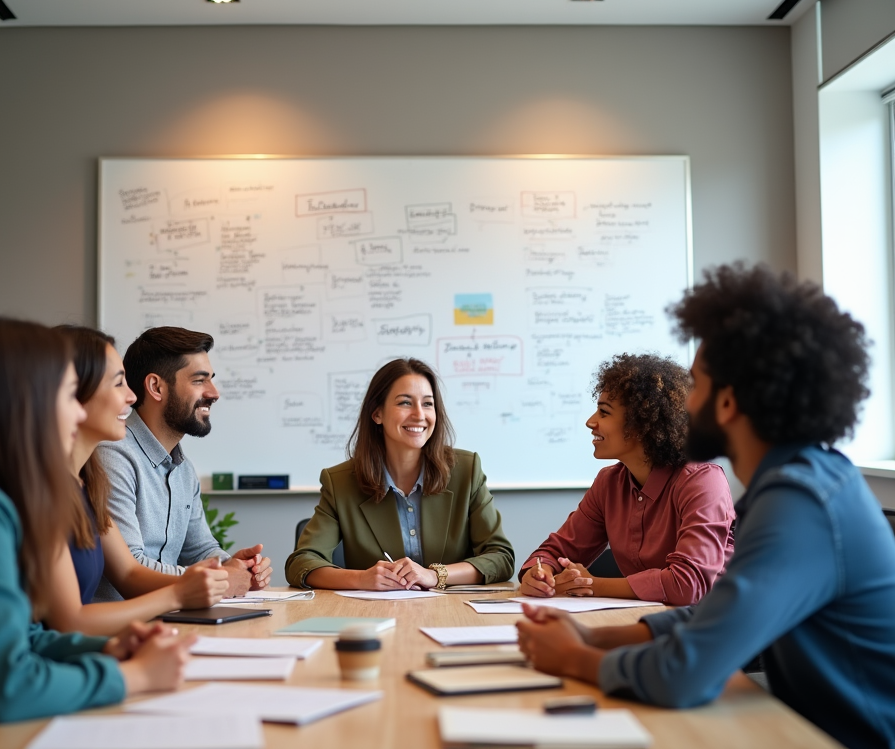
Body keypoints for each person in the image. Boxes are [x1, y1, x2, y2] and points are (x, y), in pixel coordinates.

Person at [515, 265, 895, 749]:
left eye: (695, 384)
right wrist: (590, 637)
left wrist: (573, 659)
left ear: (728, 402)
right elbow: (715, 614)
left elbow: (683, 673)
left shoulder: (802, 503)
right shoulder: (796, 484)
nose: (682, 402)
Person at [0, 317, 194, 749]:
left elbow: (21, 637)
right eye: (67, 395)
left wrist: (103, 650)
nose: (79, 411)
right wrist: (131, 675)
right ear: (22, 404)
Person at [43, 326, 230, 636]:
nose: (131, 396)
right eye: (118, 383)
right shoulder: (55, 485)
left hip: (127, 636)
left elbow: (132, 569)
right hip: (109, 638)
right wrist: (189, 588)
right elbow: (72, 620)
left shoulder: (83, 480)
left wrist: (230, 569)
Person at [519, 354, 735, 605]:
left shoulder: (703, 482)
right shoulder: (609, 482)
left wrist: (591, 585)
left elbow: (687, 585)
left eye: (604, 412)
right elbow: (555, 552)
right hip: (648, 621)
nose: (591, 422)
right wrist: (540, 573)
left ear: (641, 423)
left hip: (715, 625)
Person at [286, 358, 515, 590]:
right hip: (376, 617)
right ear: (377, 414)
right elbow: (301, 563)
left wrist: (435, 575)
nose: (419, 415)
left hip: (452, 615)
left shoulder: (466, 470)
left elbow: (501, 558)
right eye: (405, 403)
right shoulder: (340, 483)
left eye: (427, 404)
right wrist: (361, 578)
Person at [94, 326, 271, 601]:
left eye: (211, 379)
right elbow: (132, 567)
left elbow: (199, 549)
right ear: (156, 387)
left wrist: (236, 567)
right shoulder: (113, 455)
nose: (214, 393)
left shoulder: (183, 468)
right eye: (200, 380)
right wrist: (221, 579)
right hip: (124, 628)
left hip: (169, 620)